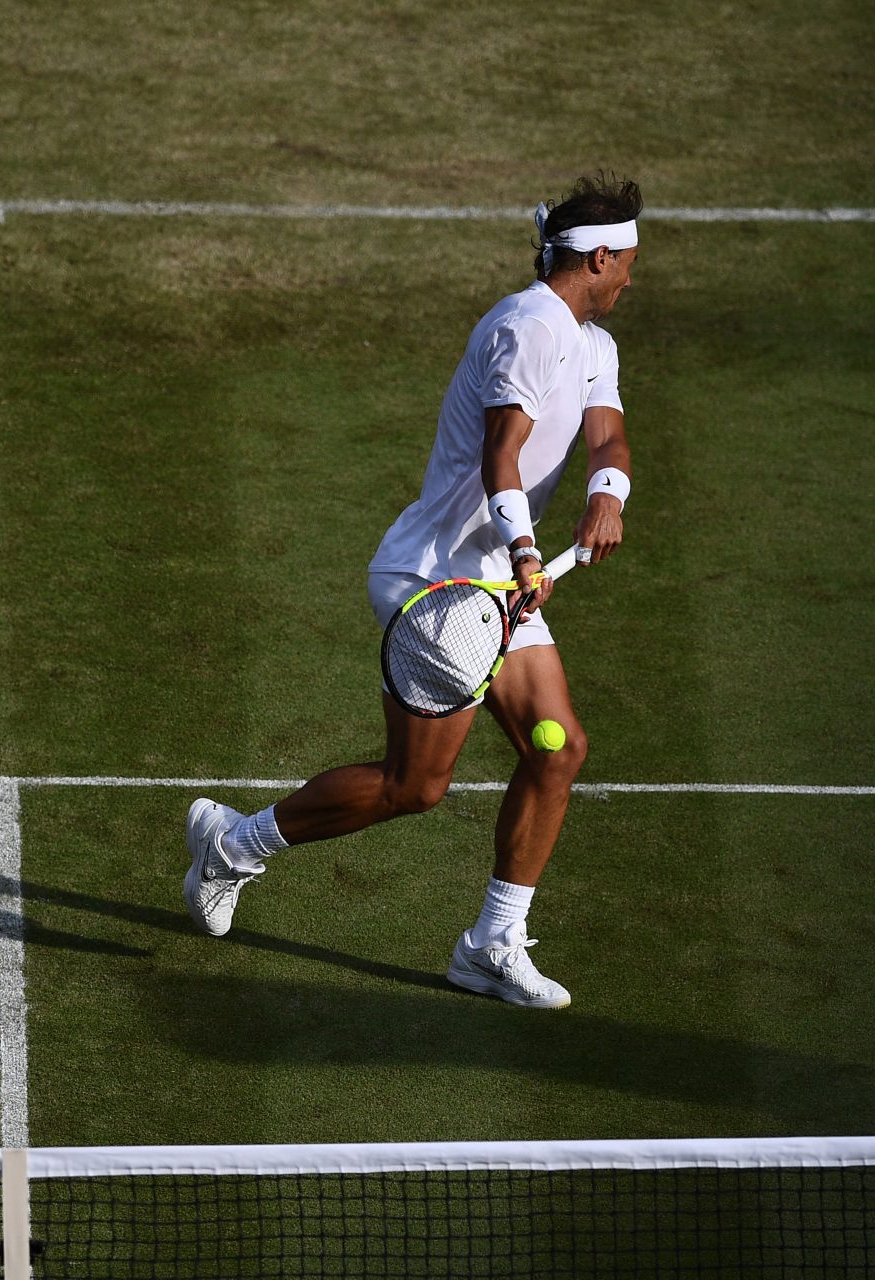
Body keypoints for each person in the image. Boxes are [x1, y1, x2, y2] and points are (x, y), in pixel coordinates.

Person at [183, 174, 641, 1009]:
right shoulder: (527, 327)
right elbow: (501, 457)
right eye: (628, 263)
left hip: (499, 578)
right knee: (415, 787)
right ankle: (233, 846)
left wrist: (608, 492)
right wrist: (532, 549)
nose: (632, 280)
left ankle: (491, 942)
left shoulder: (594, 346)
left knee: (557, 749)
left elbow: (607, 435)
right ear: (599, 256)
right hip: (437, 577)